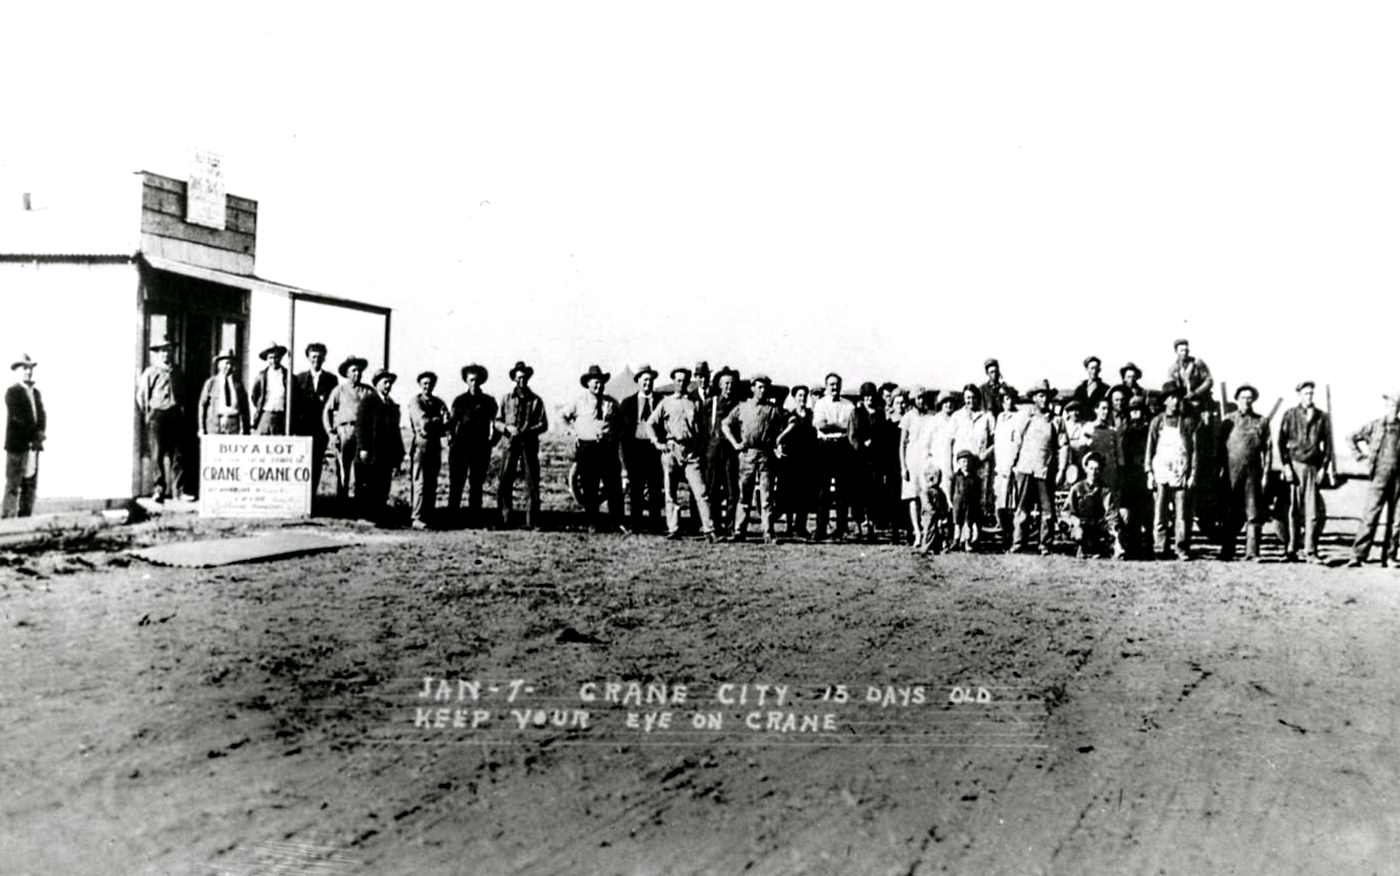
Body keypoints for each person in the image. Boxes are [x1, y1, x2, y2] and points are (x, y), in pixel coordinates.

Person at [648, 366, 717, 541]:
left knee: (701, 491)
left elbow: (703, 430)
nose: (681, 383)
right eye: (678, 380)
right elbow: (650, 424)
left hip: (691, 452)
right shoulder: (666, 402)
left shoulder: (695, 403)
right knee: (671, 491)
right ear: (673, 381)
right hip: (672, 450)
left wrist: (701, 449)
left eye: (685, 380)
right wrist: (658, 443)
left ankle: (709, 529)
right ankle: (674, 528)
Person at [560, 364, 627, 534]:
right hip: (587, 448)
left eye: (602, 382)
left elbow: (622, 424)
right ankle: (592, 522)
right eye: (595, 382)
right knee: (590, 485)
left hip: (608, 448)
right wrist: (573, 432)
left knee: (614, 486)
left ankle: (617, 522)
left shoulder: (611, 402)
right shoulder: (578, 401)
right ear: (588, 384)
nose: (599, 386)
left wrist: (615, 436)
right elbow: (562, 417)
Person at [722, 374, 788, 542]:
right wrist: (735, 444)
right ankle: (739, 531)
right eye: (759, 387)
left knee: (766, 496)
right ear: (752, 388)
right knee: (744, 495)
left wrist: (779, 440)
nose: (762, 390)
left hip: (765, 455)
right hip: (747, 454)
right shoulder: (742, 407)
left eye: (765, 387)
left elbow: (790, 421)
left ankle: (768, 532)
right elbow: (725, 424)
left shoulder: (772, 410)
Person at [1008, 380, 1069, 555]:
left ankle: (1045, 544)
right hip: (1025, 469)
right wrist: (1012, 465)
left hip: (1045, 469)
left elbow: (1063, 446)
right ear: (1034, 398)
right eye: (1040, 396)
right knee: (1022, 508)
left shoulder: (1056, 420)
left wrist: (1062, 470)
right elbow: (1016, 442)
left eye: (1047, 396)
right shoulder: (1025, 418)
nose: (1044, 400)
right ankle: (1019, 542)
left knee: (1047, 510)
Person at [1278, 380, 1333, 562]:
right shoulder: (1290, 415)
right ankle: (1291, 550)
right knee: (1292, 510)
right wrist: (1286, 466)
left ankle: (1310, 551)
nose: (1308, 396)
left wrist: (1323, 468)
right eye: (1305, 393)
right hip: (1294, 466)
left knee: (1312, 512)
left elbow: (1328, 445)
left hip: (1312, 467)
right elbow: (1281, 442)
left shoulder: (1321, 417)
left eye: (1311, 393)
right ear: (1299, 395)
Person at [1217, 384, 1271, 561]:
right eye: (1243, 398)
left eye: (1249, 398)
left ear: (1253, 400)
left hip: (1253, 472)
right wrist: (1219, 470)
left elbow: (1268, 449)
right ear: (1237, 399)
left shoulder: (1261, 421)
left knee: (1253, 512)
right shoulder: (1228, 421)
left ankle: (1252, 552)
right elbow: (1219, 448)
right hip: (1231, 472)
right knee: (1230, 511)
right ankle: (1227, 551)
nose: (1246, 401)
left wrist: (1266, 473)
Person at [1346, 390, 1400, 567]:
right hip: (1379, 476)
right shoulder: (1375, 426)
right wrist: (1360, 457)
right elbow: (1351, 437)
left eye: (1396, 406)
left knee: (1397, 520)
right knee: (1370, 515)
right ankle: (1358, 555)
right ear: (1386, 407)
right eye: (1391, 405)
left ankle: (1390, 557)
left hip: (1398, 479)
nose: (1393, 409)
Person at [136, 336, 193, 502]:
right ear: (157, 354)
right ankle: (159, 490)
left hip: (175, 414)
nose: (165, 354)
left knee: (178, 454)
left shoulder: (177, 371)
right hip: (158, 415)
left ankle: (179, 491)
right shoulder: (151, 372)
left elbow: (183, 393)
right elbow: (141, 396)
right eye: (162, 351)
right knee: (157, 453)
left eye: (168, 350)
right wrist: (149, 412)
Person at [1146, 381, 1197, 560]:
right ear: (1165, 401)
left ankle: (1181, 548)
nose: (1174, 401)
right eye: (1171, 398)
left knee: (1181, 514)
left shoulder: (1188, 422)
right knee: (1160, 512)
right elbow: (1150, 448)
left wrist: (1192, 474)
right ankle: (1160, 547)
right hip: (1161, 471)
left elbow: (1194, 450)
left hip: (1180, 471)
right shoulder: (1157, 422)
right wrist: (1149, 472)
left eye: (1177, 397)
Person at [496, 361, 549, 529]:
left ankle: (532, 521)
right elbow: (497, 422)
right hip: (509, 444)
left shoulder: (536, 400)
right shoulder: (506, 399)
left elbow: (543, 424)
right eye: (518, 378)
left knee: (532, 482)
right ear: (514, 379)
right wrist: (507, 428)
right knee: (505, 480)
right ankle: (505, 519)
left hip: (529, 445)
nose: (521, 381)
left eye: (524, 378)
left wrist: (528, 431)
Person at [447, 364, 498, 524]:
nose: (474, 383)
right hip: (460, 447)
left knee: (476, 483)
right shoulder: (459, 401)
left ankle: (474, 518)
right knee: (456, 482)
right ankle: (452, 518)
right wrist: (451, 439)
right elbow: (451, 423)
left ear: (482, 381)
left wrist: (492, 442)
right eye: (471, 380)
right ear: (466, 381)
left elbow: (497, 422)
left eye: (477, 380)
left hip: (480, 447)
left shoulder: (489, 401)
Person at [323, 355, 374, 507]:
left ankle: (359, 505)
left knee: (361, 470)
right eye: (353, 371)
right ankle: (342, 504)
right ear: (346, 373)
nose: (356, 374)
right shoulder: (339, 390)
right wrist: (331, 433)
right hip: (344, 431)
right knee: (343, 469)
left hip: (362, 434)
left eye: (359, 371)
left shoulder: (368, 391)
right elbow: (326, 412)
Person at [619, 364, 664, 532]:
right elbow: (623, 431)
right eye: (644, 380)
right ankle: (636, 523)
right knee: (636, 488)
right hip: (635, 449)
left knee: (655, 488)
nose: (647, 384)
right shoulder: (628, 403)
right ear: (638, 381)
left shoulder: (661, 401)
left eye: (650, 381)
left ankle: (655, 523)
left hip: (654, 449)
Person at [812, 372, 856, 540]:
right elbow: (821, 426)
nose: (834, 387)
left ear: (841, 385)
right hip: (825, 447)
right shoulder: (820, 404)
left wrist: (834, 426)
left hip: (843, 447)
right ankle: (821, 528)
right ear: (826, 386)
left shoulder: (849, 405)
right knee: (823, 491)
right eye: (831, 384)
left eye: (837, 384)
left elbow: (850, 427)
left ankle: (840, 529)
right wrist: (840, 426)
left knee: (842, 491)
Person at [293, 342, 338, 498]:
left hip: (321, 430)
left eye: (319, 357)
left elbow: (333, 406)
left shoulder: (331, 380)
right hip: (302, 429)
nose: (316, 360)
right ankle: (300, 498)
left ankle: (312, 497)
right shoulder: (298, 379)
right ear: (308, 358)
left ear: (324, 359)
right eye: (313, 357)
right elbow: (294, 405)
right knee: (302, 463)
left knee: (317, 463)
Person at [359, 369, 405, 522]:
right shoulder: (368, 401)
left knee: (383, 484)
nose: (388, 385)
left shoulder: (391, 404)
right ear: (377, 384)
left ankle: (379, 514)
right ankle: (366, 516)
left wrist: (399, 453)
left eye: (390, 383)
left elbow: (395, 430)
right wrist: (363, 448)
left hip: (386, 452)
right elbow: (362, 426)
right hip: (371, 451)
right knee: (369, 483)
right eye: (385, 382)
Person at [701, 367, 742, 535]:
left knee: (732, 490)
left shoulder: (740, 404)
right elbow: (703, 428)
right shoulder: (711, 402)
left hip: (732, 452)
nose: (729, 387)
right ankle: (715, 526)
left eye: (731, 384)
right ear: (719, 385)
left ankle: (730, 526)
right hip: (714, 451)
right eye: (725, 383)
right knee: (713, 490)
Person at [4, 354, 46, 518]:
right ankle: (7, 522)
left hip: (33, 447)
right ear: (17, 371)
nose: (28, 372)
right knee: (13, 484)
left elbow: (42, 415)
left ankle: (25, 519)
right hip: (17, 446)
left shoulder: (36, 393)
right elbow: (18, 418)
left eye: (30, 368)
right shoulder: (12, 392)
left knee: (30, 485)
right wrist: (32, 434)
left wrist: (40, 434)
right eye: (24, 368)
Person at [406, 371, 449, 529]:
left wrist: (439, 423)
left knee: (432, 482)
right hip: (421, 446)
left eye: (430, 383)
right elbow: (424, 424)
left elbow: (448, 422)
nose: (427, 386)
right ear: (420, 384)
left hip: (435, 445)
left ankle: (428, 515)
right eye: (424, 383)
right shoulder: (415, 401)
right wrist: (438, 421)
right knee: (420, 482)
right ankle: (416, 517)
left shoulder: (438, 402)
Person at [777, 384, 817, 538]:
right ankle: (788, 526)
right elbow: (781, 436)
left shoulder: (811, 415)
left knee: (804, 494)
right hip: (790, 459)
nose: (802, 399)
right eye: (799, 396)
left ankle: (801, 526)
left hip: (806, 459)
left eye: (804, 396)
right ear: (794, 398)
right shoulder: (788, 415)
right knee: (789, 493)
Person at [951, 383, 995, 525]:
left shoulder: (987, 416)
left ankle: (976, 534)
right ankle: (961, 534)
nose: (970, 401)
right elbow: (950, 442)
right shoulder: (957, 416)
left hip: (980, 465)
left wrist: (986, 454)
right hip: (962, 466)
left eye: (973, 397)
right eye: (967, 398)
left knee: (978, 500)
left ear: (978, 398)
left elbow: (996, 441)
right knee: (961, 499)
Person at [846, 381, 885, 540]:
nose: (869, 399)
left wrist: (875, 445)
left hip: (874, 459)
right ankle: (858, 524)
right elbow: (852, 435)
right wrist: (862, 445)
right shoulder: (856, 412)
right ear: (862, 397)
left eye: (871, 396)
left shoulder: (879, 413)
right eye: (866, 396)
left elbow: (883, 435)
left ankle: (870, 524)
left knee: (873, 493)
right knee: (858, 493)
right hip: (858, 459)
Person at [900, 388, 938, 547]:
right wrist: (903, 466)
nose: (921, 401)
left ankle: (927, 531)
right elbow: (902, 443)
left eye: (923, 398)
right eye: (918, 398)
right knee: (912, 497)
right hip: (911, 459)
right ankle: (917, 532)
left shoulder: (931, 418)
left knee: (926, 497)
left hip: (926, 460)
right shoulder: (908, 417)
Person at [1067, 452, 1123, 559]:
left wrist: (1114, 528)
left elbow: (1110, 512)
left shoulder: (1105, 490)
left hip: (1098, 525)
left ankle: (1107, 548)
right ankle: (1081, 547)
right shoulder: (1077, 488)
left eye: (1097, 469)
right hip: (1081, 524)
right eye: (1091, 468)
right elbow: (1067, 511)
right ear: (1086, 469)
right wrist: (1075, 522)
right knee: (1080, 534)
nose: (1094, 472)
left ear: (1100, 471)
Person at [1116, 396, 1152, 558]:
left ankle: (1147, 547)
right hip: (1129, 475)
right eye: (1132, 411)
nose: (1135, 413)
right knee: (1130, 513)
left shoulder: (1148, 430)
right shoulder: (1125, 431)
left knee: (1145, 511)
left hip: (1143, 474)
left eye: (1138, 410)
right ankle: (1131, 546)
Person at [990, 384, 1022, 543]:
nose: (1007, 402)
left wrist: (1010, 465)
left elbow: (1016, 443)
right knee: (999, 502)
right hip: (999, 466)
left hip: (1011, 466)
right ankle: (1003, 531)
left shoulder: (1018, 418)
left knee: (1011, 503)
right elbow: (997, 443)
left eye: (1009, 398)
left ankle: (1011, 536)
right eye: (1004, 399)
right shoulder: (1000, 418)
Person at [1073, 397, 1123, 495]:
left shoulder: (1113, 431)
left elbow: (1120, 456)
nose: (1106, 411)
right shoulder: (1088, 428)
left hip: (1110, 474)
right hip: (1094, 472)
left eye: (1108, 409)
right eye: (1103, 408)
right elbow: (1082, 453)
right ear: (1096, 410)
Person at [197, 350, 250, 436]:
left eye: (231, 364)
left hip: (234, 425)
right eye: (226, 363)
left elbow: (245, 408)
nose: (228, 367)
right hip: (215, 424)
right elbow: (202, 405)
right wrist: (201, 428)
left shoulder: (238, 384)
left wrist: (245, 428)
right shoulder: (211, 383)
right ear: (219, 365)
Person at [250, 342, 290, 435]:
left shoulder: (288, 376)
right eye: (271, 358)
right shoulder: (261, 376)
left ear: (280, 358)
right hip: (266, 415)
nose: (274, 360)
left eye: (276, 357)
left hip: (282, 417)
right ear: (267, 359)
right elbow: (254, 396)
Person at [1166, 339, 1214, 416]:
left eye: (1186, 350)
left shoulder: (1197, 363)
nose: (1184, 353)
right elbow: (1171, 388)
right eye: (1182, 351)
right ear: (1176, 352)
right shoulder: (1172, 369)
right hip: (1184, 405)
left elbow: (1209, 381)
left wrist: (1196, 392)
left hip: (1202, 403)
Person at [950, 450, 981, 550]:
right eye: (963, 461)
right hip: (958, 503)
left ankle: (967, 542)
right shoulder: (956, 476)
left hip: (970, 504)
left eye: (968, 461)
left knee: (968, 523)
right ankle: (956, 540)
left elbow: (977, 492)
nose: (966, 464)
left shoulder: (975, 478)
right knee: (957, 523)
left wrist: (977, 502)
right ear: (958, 463)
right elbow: (952, 489)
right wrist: (951, 500)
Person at [916, 467, 951, 555]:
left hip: (938, 514)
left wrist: (944, 512)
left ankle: (940, 546)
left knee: (940, 531)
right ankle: (926, 547)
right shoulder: (925, 492)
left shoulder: (940, 491)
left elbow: (944, 502)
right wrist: (934, 512)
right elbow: (927, 504)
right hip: (929, 516)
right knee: (929, 530)